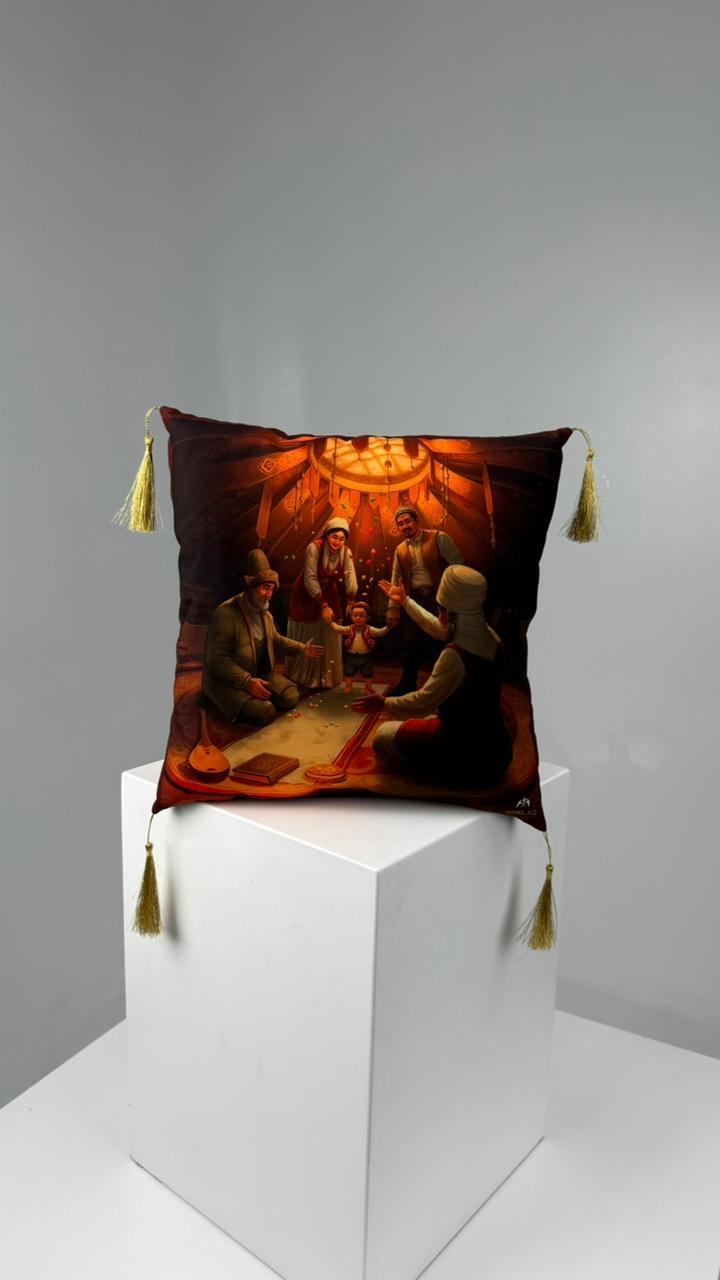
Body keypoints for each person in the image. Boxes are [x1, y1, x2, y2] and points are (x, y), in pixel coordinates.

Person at [353, 565, 512, 787]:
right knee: (424, 720)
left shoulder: (454, 656)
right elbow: (438, 627)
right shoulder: (494, 639)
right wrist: (405, 601)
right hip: (497, 749)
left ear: (453, 612)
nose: (439, 615)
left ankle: (435, 773)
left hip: (468, 754)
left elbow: (423, 702)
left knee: (383, 735)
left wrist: (384, 703)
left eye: (441, 610)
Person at [203, 549, 324, 725]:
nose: (269, 594)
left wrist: (303, 648)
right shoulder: (226, 614)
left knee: (291, 696)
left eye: (272, 589)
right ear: (251, 586)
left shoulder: (265, 614)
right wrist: (246, 681)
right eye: (265, 588)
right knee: (265, 711)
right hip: (228, 682)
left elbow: (276, 639)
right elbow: (217, 660)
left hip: (261, 674)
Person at [385, 505, 464, 695]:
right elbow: (395, 578)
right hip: (413, 599)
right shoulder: (399, 549)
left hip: (440, 598)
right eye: (400, 524)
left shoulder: (439, 538)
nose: (405, 526)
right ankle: (407, 684)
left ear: (417, 521)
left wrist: (454, 600)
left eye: (408, 521)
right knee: (410, 643)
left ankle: (446, 687)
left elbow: (458, 567)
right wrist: (393, 607)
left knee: (442, 643)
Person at [285, 515, 358, 689]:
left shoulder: (346, 552)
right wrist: (324, 605)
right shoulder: (314, 548)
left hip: (329, 590)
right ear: (326, 535)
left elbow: (350, 576)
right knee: (309, 630)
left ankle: (327, 677)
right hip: (306, 592)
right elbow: (310, 578)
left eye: (342, 539)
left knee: (331, 629)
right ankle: (303, 676)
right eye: (334, 537)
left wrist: (351, 600)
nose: (337, 542)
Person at [329, 600, 389, 695]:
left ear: (367, 618)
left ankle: (367, 688)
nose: (358, 618)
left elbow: (380, 632)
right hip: (351, 655)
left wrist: (388, 627)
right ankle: (348, 686)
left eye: (361, 616)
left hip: (366, 656)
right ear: (351, 617)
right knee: (348, 671)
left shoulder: (370, 629)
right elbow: (339, 629)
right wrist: (330, 622)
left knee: (368, 673)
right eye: (355, 615)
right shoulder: (349, 629)